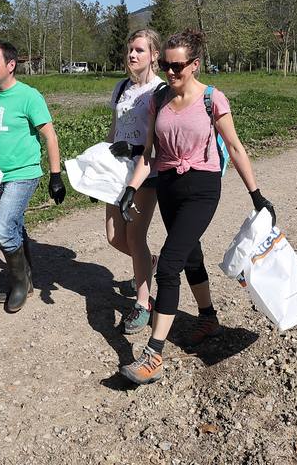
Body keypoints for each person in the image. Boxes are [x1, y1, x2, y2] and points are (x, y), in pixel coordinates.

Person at [116, 29, 275, 385]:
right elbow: (148, 153)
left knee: (169, 266)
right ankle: (208, 318)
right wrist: (131, 188)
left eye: (178, 66)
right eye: (167, 65)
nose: (171, 72)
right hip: (169, 184)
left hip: (202, 188)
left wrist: (257, 196)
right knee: (190, 256)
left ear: (195, 64)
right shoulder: (159, 99)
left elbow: (234, 147)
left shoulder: (212, 99)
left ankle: (153, 355)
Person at [0, 39, 66, 313]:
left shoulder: (29, 96)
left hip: (23, 173)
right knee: (15, 226)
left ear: (11, 65)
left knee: (1, 229)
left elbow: (50, 136)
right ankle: (28, 278)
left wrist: (56, 176)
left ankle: (19, 283)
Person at [105, 28, 163, 334]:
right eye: (130, 49)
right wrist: (97, 168)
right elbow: (113, 131)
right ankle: (150, 262)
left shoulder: (159, 91)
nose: (132, 55)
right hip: (116, 172)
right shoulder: (120, 88)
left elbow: (162, 141)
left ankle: (143, 303)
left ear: (154, 55)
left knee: (135, 237)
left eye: (139, 50)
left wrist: (137, 149)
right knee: (115, 237)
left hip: (146, 172)